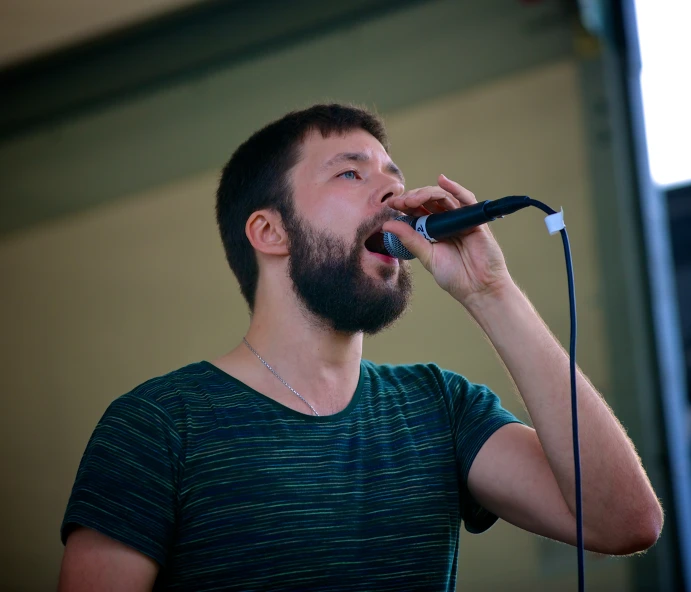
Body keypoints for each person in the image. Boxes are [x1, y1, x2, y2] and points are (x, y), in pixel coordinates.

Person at [57, 104, 662, 591]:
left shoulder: (441, 408)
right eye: (352, 173)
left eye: (394, 178)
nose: (393, 195)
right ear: (269, 231)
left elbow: (625, 522)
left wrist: (490, 293)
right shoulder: (158, 425)